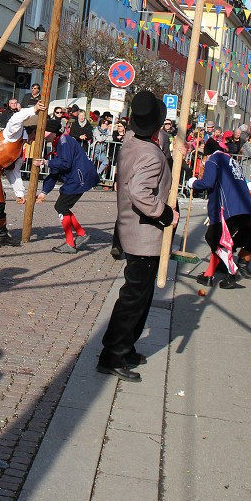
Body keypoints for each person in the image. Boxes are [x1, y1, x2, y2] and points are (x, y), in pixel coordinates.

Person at [97, 92, 179, 381]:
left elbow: (159, 143)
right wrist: (166, 213)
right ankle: (112, 354)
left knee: (141, 297)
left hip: (133, 230)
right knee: (133, 298)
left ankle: (127, 346)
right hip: (144, 235)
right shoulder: (149, 155)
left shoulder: (132, 140)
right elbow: (140, 193)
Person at [0, 101, 44, 246]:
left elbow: (14, 172)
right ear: (32, 131)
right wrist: (34, 109)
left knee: (0, 199)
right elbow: (15, 118)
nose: (36, 139)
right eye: (36, 134)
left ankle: (2, 233)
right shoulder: (14, 133)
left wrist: (19, 194)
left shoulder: (19, 148)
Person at [192, 137, 251, 290]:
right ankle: (208, 275)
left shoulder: (213, 159)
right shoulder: (232, 160)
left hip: (226, 208)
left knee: (212, 238)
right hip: (243, 207)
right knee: (221, 242)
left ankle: (232, 269)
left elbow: (208, 182)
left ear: (207, 154)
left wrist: (193, 183)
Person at [37, 120, 98, 253]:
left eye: (44, 131)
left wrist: (47, 162)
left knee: (61, 206)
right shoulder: (59, 142)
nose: (42, 134)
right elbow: (56, 170)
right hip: (77, 177)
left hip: (79, 177)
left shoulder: (64, 141)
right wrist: (44, 191)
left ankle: (70, 243)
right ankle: (81, 234)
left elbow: (65, 163)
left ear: (52, 132)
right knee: (62, 206)